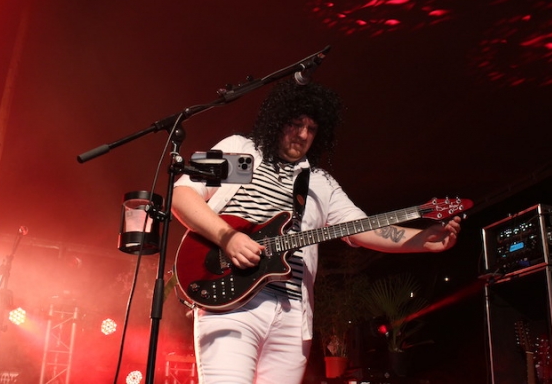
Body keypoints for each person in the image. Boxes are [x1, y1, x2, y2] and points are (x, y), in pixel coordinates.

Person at [171, 79, 461, 384]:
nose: (303, 135)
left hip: (292, 317)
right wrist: (228, 237)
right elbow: (182, 194)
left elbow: (364, 229)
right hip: (231, 301)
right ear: (278, 120)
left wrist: (421, 239)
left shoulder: (320, 183)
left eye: (311, 129)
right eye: (296, 124)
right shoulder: (242, 151)